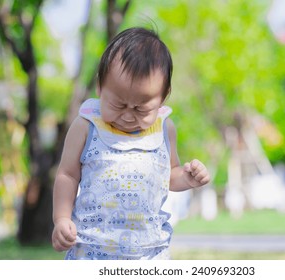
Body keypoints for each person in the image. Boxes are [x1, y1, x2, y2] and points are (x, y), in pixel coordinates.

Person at [51, 27, 210, 260]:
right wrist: (62, 219)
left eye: (141, 109)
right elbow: (67, 174)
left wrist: (186, 178)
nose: (127, 115)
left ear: (163, 98)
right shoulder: (86, 126)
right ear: (100, 88)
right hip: (93, 249)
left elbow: (168, 175)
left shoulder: (164, 129)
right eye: (117, 105)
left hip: (148, 252)